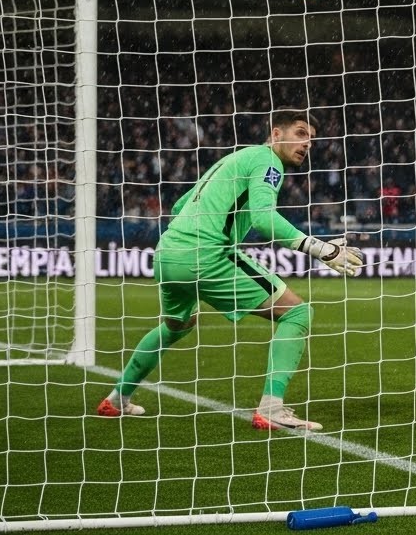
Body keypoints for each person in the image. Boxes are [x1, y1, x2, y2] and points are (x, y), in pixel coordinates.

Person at [95, 109, 363, 430]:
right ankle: (272, 408)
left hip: (168, 253)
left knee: (177, 326)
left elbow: (181, 205)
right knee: (297, 314)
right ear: (276, 134)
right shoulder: (268, 162)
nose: (307, 143)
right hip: (207, 254)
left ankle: (116, 399)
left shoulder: (234, 159)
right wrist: (321, 248)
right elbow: (263, 218)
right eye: (301, 133)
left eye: (311, 139)